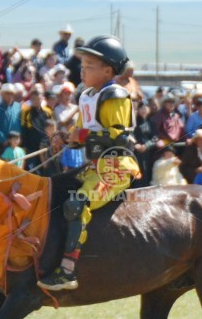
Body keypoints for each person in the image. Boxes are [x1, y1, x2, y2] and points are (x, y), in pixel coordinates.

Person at [38, 35, 139, 292]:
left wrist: (79, 135)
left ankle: (67, 271)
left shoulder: (115, 94)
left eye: (89, 66)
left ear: (108, 71)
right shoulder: (85, 96)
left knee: (77, 203)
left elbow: (118, 136)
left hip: (117, 167)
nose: (82, 70)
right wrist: (66, 139)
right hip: (93, 167)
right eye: (82, 65)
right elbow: (82, 134)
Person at [0, 84, 21, 155]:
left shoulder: (18, 106)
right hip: (3, 144)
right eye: (7, 93)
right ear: (3, 95)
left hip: (17, 143)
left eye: (11, 93)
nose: (9, 95)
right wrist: (3, 139)